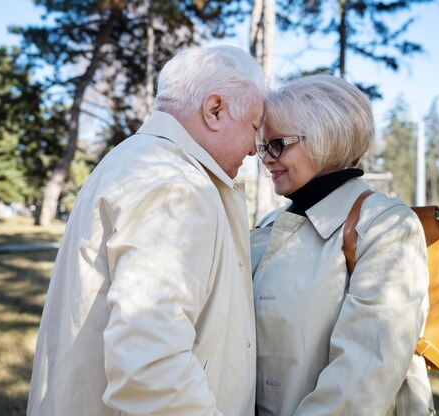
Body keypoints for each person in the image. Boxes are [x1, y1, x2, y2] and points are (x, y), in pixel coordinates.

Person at [28, 45, 265, 416]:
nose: (255, 149)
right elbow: (150, 368)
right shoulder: (172, 183)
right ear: (214, 110)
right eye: (254, 127)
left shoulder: (137, 160)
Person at [250, 74, 434, 415]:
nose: (265, 158)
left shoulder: (385, 225)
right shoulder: (269, 225)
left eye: (277, 144)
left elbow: (365, 375)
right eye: (263, 146)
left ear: (324, 139)